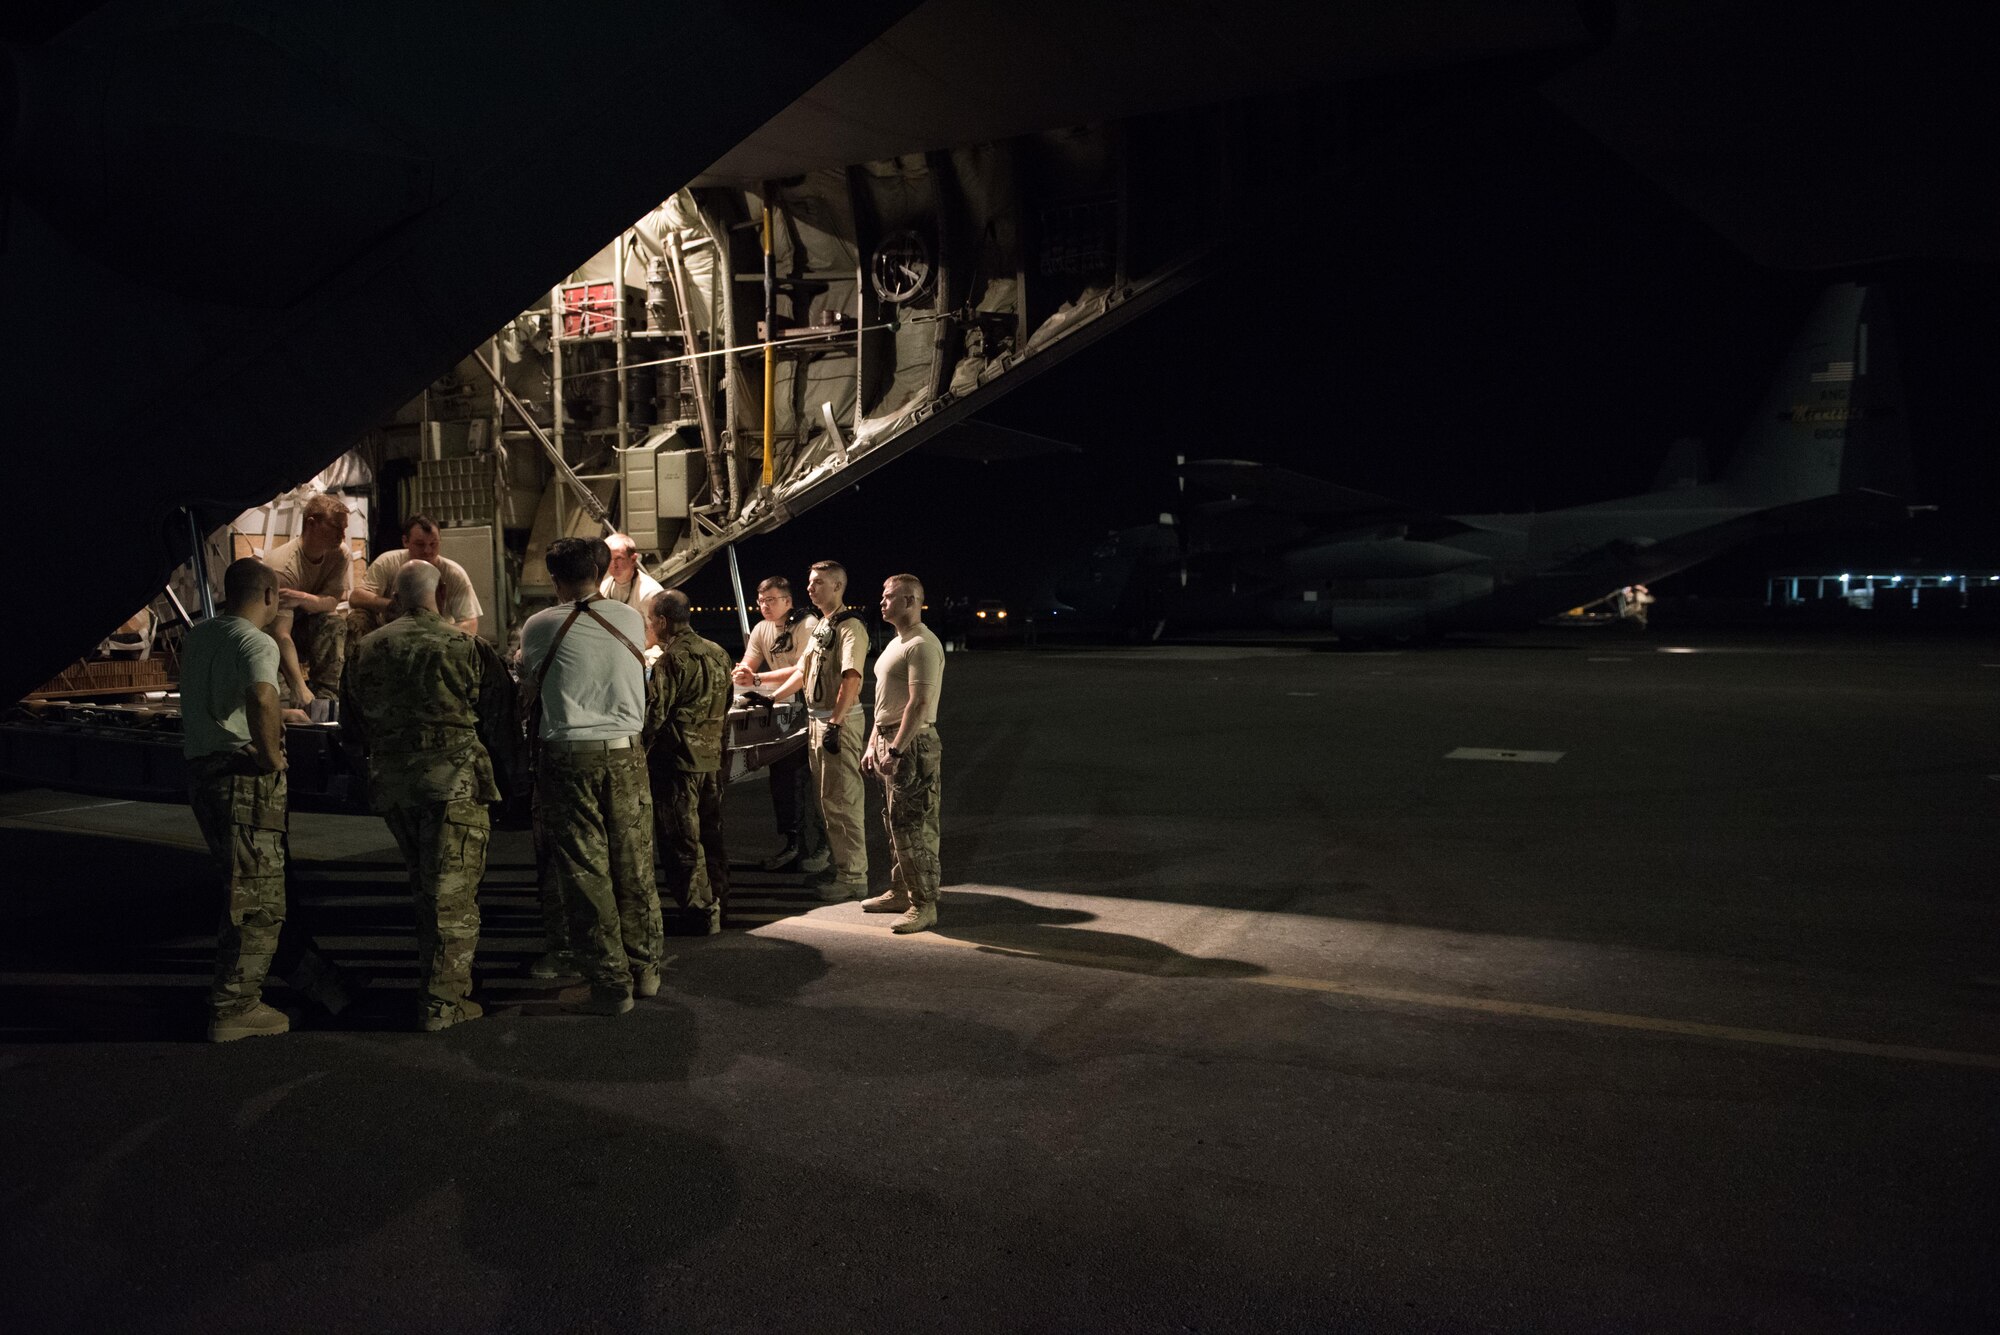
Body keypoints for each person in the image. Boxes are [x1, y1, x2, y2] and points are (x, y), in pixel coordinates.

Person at [341, 561, 512, 1031]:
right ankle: (443, 1002)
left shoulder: (366, 649)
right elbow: (498, 721)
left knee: (424, 887)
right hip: (453, 783)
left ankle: (435, 979)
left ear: (395, 595)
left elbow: (351, 726)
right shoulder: (468, 647)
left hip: (395, 786)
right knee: (451, 894)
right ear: (439, 596)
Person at [520, 536, 660, 1015]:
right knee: (634, 862)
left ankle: (610, 983)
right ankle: (646, 970)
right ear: (601, 570)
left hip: (567, 758)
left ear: (553, 577)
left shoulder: (539, 626)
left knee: (587, 873)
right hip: (626, 754)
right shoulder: (630, 618)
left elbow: (528, 688)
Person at [180, 558, 294, 1041]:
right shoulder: (257, 641)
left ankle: (243, 992)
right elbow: (263, 697)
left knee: (236, 885)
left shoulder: (201, 635)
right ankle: (235, 1007)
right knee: (258, 898)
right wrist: (272, 757)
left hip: (203, 771)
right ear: (268, 594)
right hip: (240, 777)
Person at [760, 561, 871, 900]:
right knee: (828, 803)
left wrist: (835, 724)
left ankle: (854, 877)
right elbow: (802, 672)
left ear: (838, 586)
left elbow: (852, 676)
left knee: (843, 801)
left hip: (837, 720)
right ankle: (843, 871)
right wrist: (770, 698)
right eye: (809, 582)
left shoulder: (850, 627)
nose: (810, 588)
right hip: (818, 719)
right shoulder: (825, 625)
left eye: (819, 582)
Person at [643, 588, 734, 934]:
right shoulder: (718, 653)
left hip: (678, 764)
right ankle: (721, 901)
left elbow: (654, 717)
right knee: (712, 834)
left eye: (652, 620)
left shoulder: (671, 661)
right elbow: (725, 706)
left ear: (663, 622)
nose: (651, 626)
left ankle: (699, 911)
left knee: (681, 840)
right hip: (711, 761)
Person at [862, 574, 946, 934]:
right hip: (889, 739)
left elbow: (919, 702)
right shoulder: (898, 642)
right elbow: (885, 703)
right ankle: (901, 890)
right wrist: (872, 744)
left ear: (910, 601)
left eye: (889, 596)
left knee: (913, 825)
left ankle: (923, 904)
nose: (882, 602)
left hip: (910, 743)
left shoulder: (921, 645)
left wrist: (895, 748)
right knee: (893, 821)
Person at [732, 575, 827, 873]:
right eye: (761, 601)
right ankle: (794, 844)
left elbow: (802, 669)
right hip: (782, 711)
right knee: (784, 780)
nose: (764, 606)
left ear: (787, 601)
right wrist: (743, 672)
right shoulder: (762, 629)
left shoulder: (807, 625)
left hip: (811, 709)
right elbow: (751, 659)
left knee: (815, 784)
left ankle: (822, 846)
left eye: (771, 600)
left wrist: (758, 679)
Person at [261, 491, 352, 707]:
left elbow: (331, 602)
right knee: (283, 702)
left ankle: (328, 698)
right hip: (271, 636)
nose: (342, 535)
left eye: (344, 528)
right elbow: (279, 634)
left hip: (303, 624)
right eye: (336, 527)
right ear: (312, 524)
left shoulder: (339, 553)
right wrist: (298, 685)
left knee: (334, 623)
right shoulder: (283, 566)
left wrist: (301, 598)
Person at [349, 514, 483, 637]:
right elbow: (356, 597)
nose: (427, 551)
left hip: (437, 634)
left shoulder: (453, 573)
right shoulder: (388, 562)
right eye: (420, 544)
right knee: (358, 617)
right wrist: (391, 605)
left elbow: (470, 622)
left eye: (433, 544)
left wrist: (443, 638)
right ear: (405, 541)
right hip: (393, 632)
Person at [599, 532, 665, 613]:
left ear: (633, 559)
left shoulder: (649, 593)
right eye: (609, 558)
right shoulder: (603, 587)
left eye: (619, 558)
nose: (613, 564)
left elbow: (657, 625)